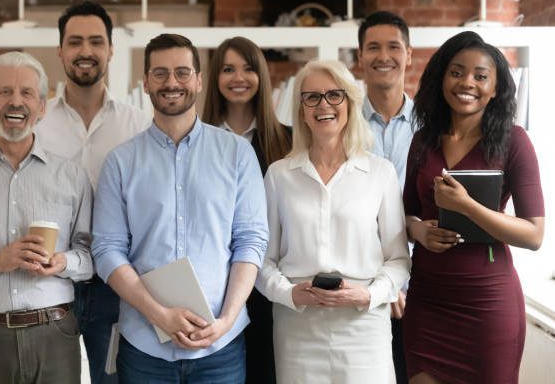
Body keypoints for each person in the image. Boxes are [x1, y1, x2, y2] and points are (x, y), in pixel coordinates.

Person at [91, 33, 269, 383]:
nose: (171, 82)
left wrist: (227, 320)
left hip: (221, 347)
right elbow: (107, 250)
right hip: (144, 347)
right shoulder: (120, 162)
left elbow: (251, 240)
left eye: (182, 72)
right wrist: (158, 314)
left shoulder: (237, 154)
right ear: (145, 83)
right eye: (160, 73)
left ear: (200, 80)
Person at [403, 31, 544, 384]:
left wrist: (466, 206)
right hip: (427, 301)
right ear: (441, 78)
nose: (467, 82)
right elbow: (406, 214)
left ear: (495, 88)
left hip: (488, 305)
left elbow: (534, 234)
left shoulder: (514, 142)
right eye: (457, 71)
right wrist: (419, 230)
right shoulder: (423, 141)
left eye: (481, 76)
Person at [256, 59, 411, 383]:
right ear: (300, 109)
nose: (323, 104)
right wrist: (289, 294)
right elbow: (262, 261)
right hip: (298, 328)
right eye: (311, 97)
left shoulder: (380, 172)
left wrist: (368, 295)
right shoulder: (279, 175)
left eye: (333, 95)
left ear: (349, 102)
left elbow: (398, 260)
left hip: (364, 328)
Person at [0, 51, 93, 384]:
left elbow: (92, 255)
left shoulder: (72, 177)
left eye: (27, 93)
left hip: (55, 336)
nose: (16, 102)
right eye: (4, 92)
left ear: (42, 107)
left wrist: (62, 262)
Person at [35, 0, 151, 384]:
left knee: (115, 380)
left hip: (115, 285)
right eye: (75, 42)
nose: (86, 51)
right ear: (61, 50)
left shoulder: (138, 125)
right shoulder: (37, 125)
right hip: (48, 284)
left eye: (96, 42)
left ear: (111, 50)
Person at [202, 35, 292, 383]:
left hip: (272, 285)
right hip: (215, 286)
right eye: (228, 69)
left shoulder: (288, 142)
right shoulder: (197, 142)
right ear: (214, 79)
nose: (238, 77)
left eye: (248, 68)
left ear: (262, 77)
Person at [357, 10, 414, 384]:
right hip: (361, 285)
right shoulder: (340, 125)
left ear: (409, 54)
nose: (384, 56)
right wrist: (383, 283)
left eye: (394, 47)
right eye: (373, 47)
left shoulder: (435, 126)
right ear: (359, 57)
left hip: (426, 287)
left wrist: (403, 283)